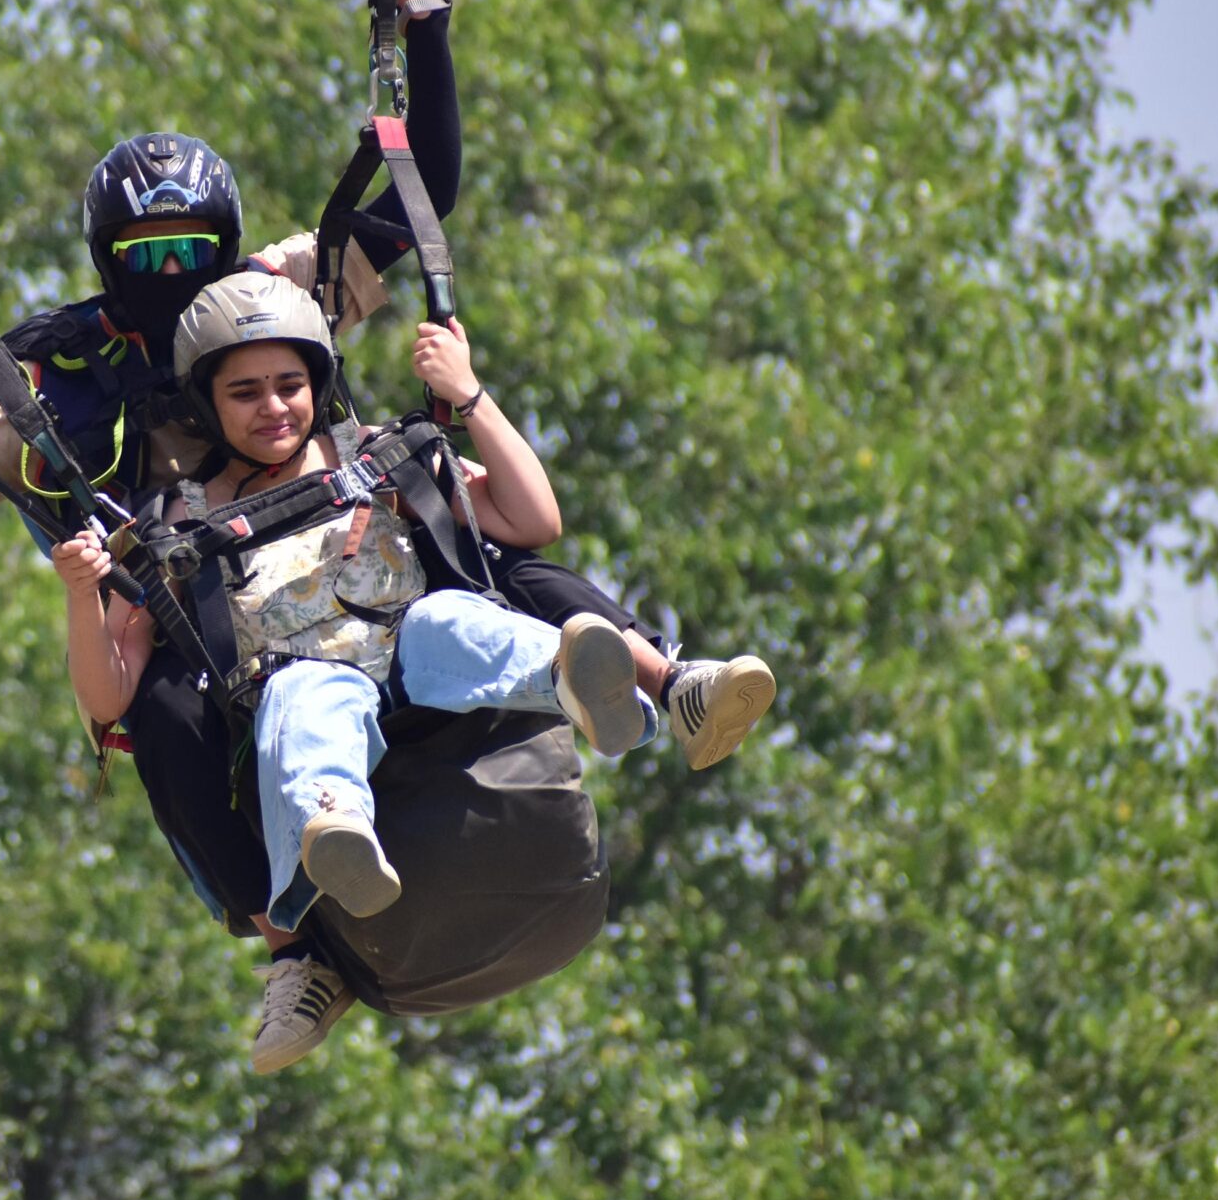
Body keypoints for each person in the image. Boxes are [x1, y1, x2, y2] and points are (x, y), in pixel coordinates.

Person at [52, 273, 777, 1070]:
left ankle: (574, 677)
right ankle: (337, 831)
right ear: (207, 404)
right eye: (246, 392)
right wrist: (83, 595)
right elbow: (112, 692)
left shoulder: (377, 457)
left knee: (455, 619)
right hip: (313, 680)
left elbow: (533, 520)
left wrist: (469, 396)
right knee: (306, 699)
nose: (274, 408)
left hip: (411, 654)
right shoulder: (178, 523)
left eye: (290, 384)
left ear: (317, 382)